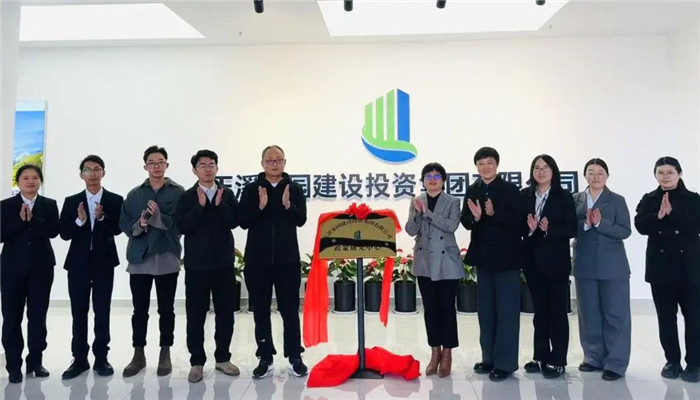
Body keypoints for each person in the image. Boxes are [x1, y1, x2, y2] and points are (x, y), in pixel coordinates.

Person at [239, 145, 308, 379]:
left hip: (287, 260)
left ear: (285, 162)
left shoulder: (294, 188)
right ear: (262, 164)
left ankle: (294, 356)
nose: (274, 164)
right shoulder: (251, 189)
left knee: (290, 310)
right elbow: (243, 221)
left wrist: (289, 205)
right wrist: (260, 207)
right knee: (260, 310)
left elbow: (301, 220)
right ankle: (265, 356)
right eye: (270, 160)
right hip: (257, 261)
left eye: (278, 160)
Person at [119, 145, 185, 378]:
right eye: (152, 162)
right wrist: (140, 225)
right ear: (145, 166)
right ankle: (138, 354)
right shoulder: (134, 194)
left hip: (166, 255)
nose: (156, 166)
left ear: (167, 165)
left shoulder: (178, 192)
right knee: (139, 310)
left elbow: (182, 223)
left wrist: (159, 219)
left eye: (160, 162)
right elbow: (124, 223)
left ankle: (165, 352)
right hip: (140, 257)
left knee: (166, 309)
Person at [175, 149, 240, 383]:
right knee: (195, 316)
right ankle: (197, 362)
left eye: (211, 164)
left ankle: (223, 358)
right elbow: (182, 227)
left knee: (225, 314)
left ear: (217, 168)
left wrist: (220, 205)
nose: (207, 168)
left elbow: (235, 222)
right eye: (202, 165)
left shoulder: (227, 194)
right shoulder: (187, 197)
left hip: (223, 264)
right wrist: (199, 207)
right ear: (195, 170)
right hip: (197, 267)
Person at [634, 156, 700, 382]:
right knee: (666, 318)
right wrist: (659, 215)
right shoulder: (650, 199)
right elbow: (640, 226)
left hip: (689, 268)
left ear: (679, 174)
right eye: (660, 172)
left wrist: (673, 214)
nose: (665, 176)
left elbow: (695, 226)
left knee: (694, 317)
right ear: (655, 175)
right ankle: (672, 361)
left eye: (670, 172)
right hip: (661, 269)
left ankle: (695, 363)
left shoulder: (693, 199)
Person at [461, 146, 524, 382]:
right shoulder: (473, 189)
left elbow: (520, 222)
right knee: (486, 312)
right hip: (484, 259)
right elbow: (465, 220)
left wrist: (494, 214)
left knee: (507, 312)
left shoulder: (510, 189)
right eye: (481, 163)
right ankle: (488, 359)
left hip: (507, 260)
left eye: (489, 162)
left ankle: (505, 364)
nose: (485, 167)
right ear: (476, 167)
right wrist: (476, 217)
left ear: (497, 164)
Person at [59, 155, 124, 379]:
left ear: (103, 173)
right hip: (78, 264)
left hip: (104, 263)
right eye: (88, 170)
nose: (93, 173)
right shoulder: (72, 201)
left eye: (97, 169)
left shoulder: (115, 200)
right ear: (81, 175)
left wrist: (102, 217)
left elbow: (118, 229)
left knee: (102, 311)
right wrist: (80, 221)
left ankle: (101, 358)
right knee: (79, 312)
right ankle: (79, 359)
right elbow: (64, 233)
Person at [572, 158, 631, 381]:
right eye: (591, 172)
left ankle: (615, 363)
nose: (595, 176)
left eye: (600, 173)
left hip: (612, 266)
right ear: (584, 175)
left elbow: (625, 230)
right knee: (589, 314)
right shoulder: (575, 199)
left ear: (607, 176)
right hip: (584, 263)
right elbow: (567, 227)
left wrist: (599, 224)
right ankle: (593, 357)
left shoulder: (617, 200)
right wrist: (586, 224)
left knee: (615, 314)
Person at [405, 162, 464, 378]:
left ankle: (447, 354)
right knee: (430, 310)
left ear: (443, 180)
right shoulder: (417, 200)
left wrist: (427, 213)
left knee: (447, 309)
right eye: (428, 176)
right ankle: (435, 352)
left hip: (447, 262)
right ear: (423, 180)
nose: (432, 179)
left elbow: (451, 226)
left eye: (436, 176)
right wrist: (417, 214)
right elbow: (410, 230)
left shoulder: (453, 201)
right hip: (425, 262)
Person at [1, 165, 59, 383]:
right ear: (18, 182)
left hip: (41, 269)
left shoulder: (49, 204)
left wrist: (32, 219)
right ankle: (13, 366)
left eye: (35, 177)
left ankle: (35, 361)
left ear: (40, 181)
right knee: (11, 318)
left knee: (37, 317)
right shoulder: (6, 205)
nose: (30, 181)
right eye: (25, 178)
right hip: (11, 269)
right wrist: (19, 221)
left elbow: (54, 231)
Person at [520, 154, 577, 379]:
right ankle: (540, 355)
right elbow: (517, 226)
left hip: (556, 263)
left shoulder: (564, 196)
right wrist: (530, 229)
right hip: (532, 262)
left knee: (557, 312)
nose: (541, 171)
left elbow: (572, 228)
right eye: (537, 168)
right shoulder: (525, 195)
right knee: (539, 312)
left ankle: (558, 359)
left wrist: (549, 229)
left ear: (553, 171)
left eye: (545, 168)